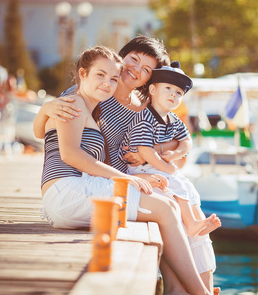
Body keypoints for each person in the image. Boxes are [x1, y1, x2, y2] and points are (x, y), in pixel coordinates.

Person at [33, 35, 217, 295]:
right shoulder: (83, 98)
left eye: (146, 70)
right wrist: (44, 109)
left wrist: (154, 156)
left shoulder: (135, 107)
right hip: (75, 186)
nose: (135, 70)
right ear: (121, 58)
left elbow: (175, 144)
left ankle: (183, 287)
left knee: (175, 197)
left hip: (92, 183)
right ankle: (196, 291)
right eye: (133, 60)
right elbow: (67, 149)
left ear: (149, 80)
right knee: (166, 207)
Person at [118, 61, 221, 290]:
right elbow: (144, 151)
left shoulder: (174, 121)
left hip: (155, 165)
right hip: (140, 169)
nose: (174, 95)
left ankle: (193, 220)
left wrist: (176, 152)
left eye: (178, 93)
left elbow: (187, 141)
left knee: (187, 186)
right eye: (168, 89)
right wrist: (167, 167)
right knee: (175, 181)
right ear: (153, 89)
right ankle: (192, 223)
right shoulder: (144, 117)